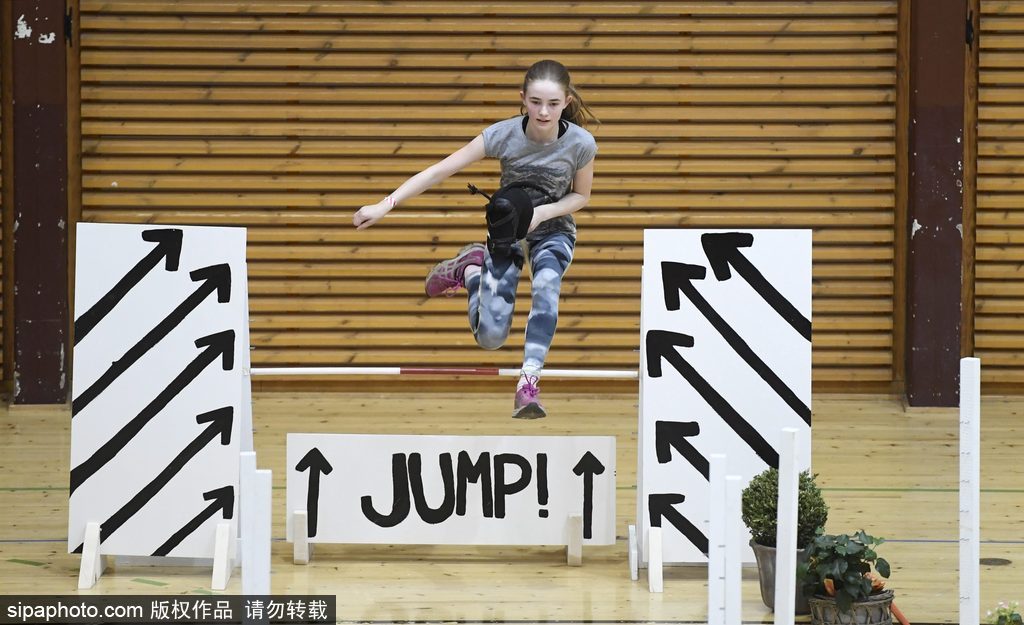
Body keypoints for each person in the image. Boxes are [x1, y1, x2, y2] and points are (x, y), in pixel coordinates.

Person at [353, 59, 598, 419]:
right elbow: (439, 170)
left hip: (553, 229)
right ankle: (470, 270)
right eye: (534, 102)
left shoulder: (581, 143)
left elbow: (581, 196)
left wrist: (542, 214)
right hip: (507, 230)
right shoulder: (502, 135)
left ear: (567, 102)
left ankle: (528, 385)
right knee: (490, 338)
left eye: (552, 103)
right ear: (522, 99)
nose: (543, 112)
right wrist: (385, 204)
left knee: (547, 288)